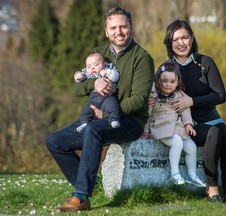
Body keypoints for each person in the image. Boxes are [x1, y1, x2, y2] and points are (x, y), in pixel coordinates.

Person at [46, 7, 154, 212]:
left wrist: (108, 114)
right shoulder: (98, 54)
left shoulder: (142, 57)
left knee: (93, 130)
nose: (119, 31)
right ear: (106, 31)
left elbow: (139, 100)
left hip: (129, 121)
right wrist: (92, 85)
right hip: (96, 118)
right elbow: (77, 86)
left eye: (123, 26)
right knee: (55, 141)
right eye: (113, 27)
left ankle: (80, 197)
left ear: (131, 27)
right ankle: (92, 184)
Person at [163, 18, 226, 202]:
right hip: (187, 123)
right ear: (169, 43)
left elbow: (220, 95)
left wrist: (191, 101)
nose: (181, 43)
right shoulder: (167, 68)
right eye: (176, 39)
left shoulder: (205, 62)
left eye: (185, 37)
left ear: (192, 38)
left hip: (211, 117)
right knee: (213, 134)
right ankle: (211, 187)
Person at [141, 60, 206, 187]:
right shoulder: (153, 95)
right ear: (157, 80)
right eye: (164, 81)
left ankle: (192, 175)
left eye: (172, 82)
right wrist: (145, 131)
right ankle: (175, 173)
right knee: (177, 142)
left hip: (177, 127)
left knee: (192, 148)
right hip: (161, 127)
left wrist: (188, 124)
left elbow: (185, 110)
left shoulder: (178, 94)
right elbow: (146, 115)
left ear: (178, 83)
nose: (168, 85)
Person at [74, 52, 121, 132]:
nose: (92, 68)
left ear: (104, 64)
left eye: (96, 65)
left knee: (113, 106)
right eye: (89, 66)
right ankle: (84, 123)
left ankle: (113, 120)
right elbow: (78, 83)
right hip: (93, 99)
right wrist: (78, 76)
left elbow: (115, 77)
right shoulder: (87, 74)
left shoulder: (108, 68)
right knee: (85, 110)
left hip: (107, 97)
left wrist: (108, 73)